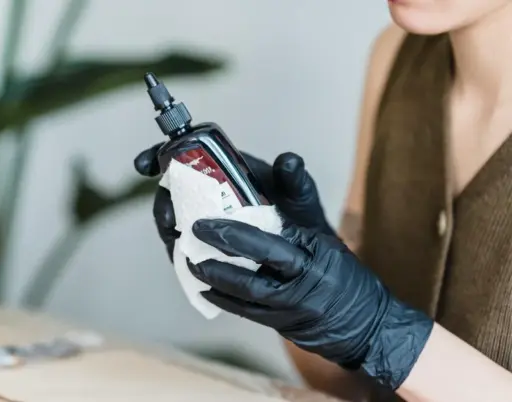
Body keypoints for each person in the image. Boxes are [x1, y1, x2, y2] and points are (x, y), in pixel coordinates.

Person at [135, 1, 512, 400]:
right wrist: (287, 277)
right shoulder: (397, 57)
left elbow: (379, 343)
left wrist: (383, 333)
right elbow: (344, 385)